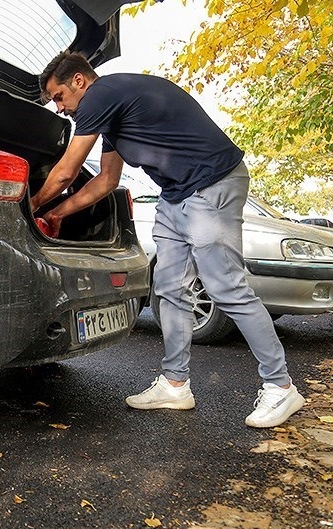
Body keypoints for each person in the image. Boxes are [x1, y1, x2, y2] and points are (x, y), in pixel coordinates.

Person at [30, 51, 305, 429]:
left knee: (225, 286)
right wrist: (57, 214)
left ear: (78, 81)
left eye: (59, 96)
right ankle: (175, 384)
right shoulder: (112, 116)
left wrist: (32, 206)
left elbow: (66, 172)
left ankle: (280, 386)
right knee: (169, 287)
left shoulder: (101, 95)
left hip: (212, 183)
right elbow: (106, 181)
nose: (60, 108)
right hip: (176, 193)